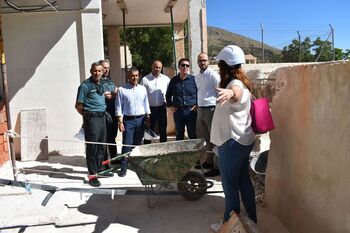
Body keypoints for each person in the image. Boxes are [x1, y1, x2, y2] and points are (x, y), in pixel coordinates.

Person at [210, 45, 257, 232]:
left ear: (225, 65)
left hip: (232, 143)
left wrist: (230, 93)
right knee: (244, 181)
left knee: (229, 188)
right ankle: (252, 221)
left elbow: (235, 94)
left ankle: (229, 226)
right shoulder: (244, 82)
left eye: (220, 64)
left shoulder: (234, 85)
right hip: (243, 141)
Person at [75, 62, 114, 187]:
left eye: (99, 71)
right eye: (94, 71)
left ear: (102, 72)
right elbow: (78, 106)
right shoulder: (85, 86)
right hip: (92, 118)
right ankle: (92, 176)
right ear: (91, 71)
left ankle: (100, 170)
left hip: (102, 117)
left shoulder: (101, 84)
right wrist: (88, 117)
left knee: (102, 146)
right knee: (92, 148)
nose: (97, 73)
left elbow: (108, 93)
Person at [115, 66, 151, 177]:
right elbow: (118, 107)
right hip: (128, 121)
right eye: (132, 76)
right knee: (127, 144)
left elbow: (146, 104)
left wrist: (148, 117)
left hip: (141, 120)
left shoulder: (142, 89)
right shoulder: (122, 90)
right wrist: (120, 122)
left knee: (137, 145)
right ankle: (124, 167)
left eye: (136, 75)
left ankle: (136, 166)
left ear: (139, 76)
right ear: (128, 77)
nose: (134, 78)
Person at [194, 52, 220, 177]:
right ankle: (209, 162)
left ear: (208, 61)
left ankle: (217, 166)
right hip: (200, 109)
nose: (202, 62)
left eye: (204, 60)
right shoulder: (197, 76)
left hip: (211, 109)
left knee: (214, 138)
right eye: (200, 60)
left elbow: (220, 92)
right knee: (206, 138)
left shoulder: (214, 75)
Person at [166, 58, 197, 140]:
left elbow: (199, 93)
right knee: (179, 134)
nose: (185, 67)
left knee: (192, 133)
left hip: (191, 111)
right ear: (179, 67)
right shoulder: (174, 80)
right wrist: (170, 106)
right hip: (178, 111)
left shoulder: (194, 79)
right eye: (183, 65)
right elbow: (168, 94)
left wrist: (197, 105)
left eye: (187, 65)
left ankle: (192, 152)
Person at [140, 60, 170, 144]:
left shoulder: (166, 79)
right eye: (156, 67)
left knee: (163, 129)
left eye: (159, 68)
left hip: (162, 108)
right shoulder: (145, 79)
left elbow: (170, 93)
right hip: (150, 109)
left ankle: (164, 149)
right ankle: (146, 149)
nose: (157, 69)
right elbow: (141, 95)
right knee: (149, 130)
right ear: (152, 67)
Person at [99, 59, 118, 162]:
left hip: (112, 112)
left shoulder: (110, 81)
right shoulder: (96, 81)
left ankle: (114, 158)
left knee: (112, 137)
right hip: (103, 113)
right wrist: (104, 95)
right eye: (104, 68)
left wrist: (116, 93)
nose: (106, 70)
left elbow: (114, 92)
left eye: (107, 68)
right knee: (104, 138)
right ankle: (104, 161)